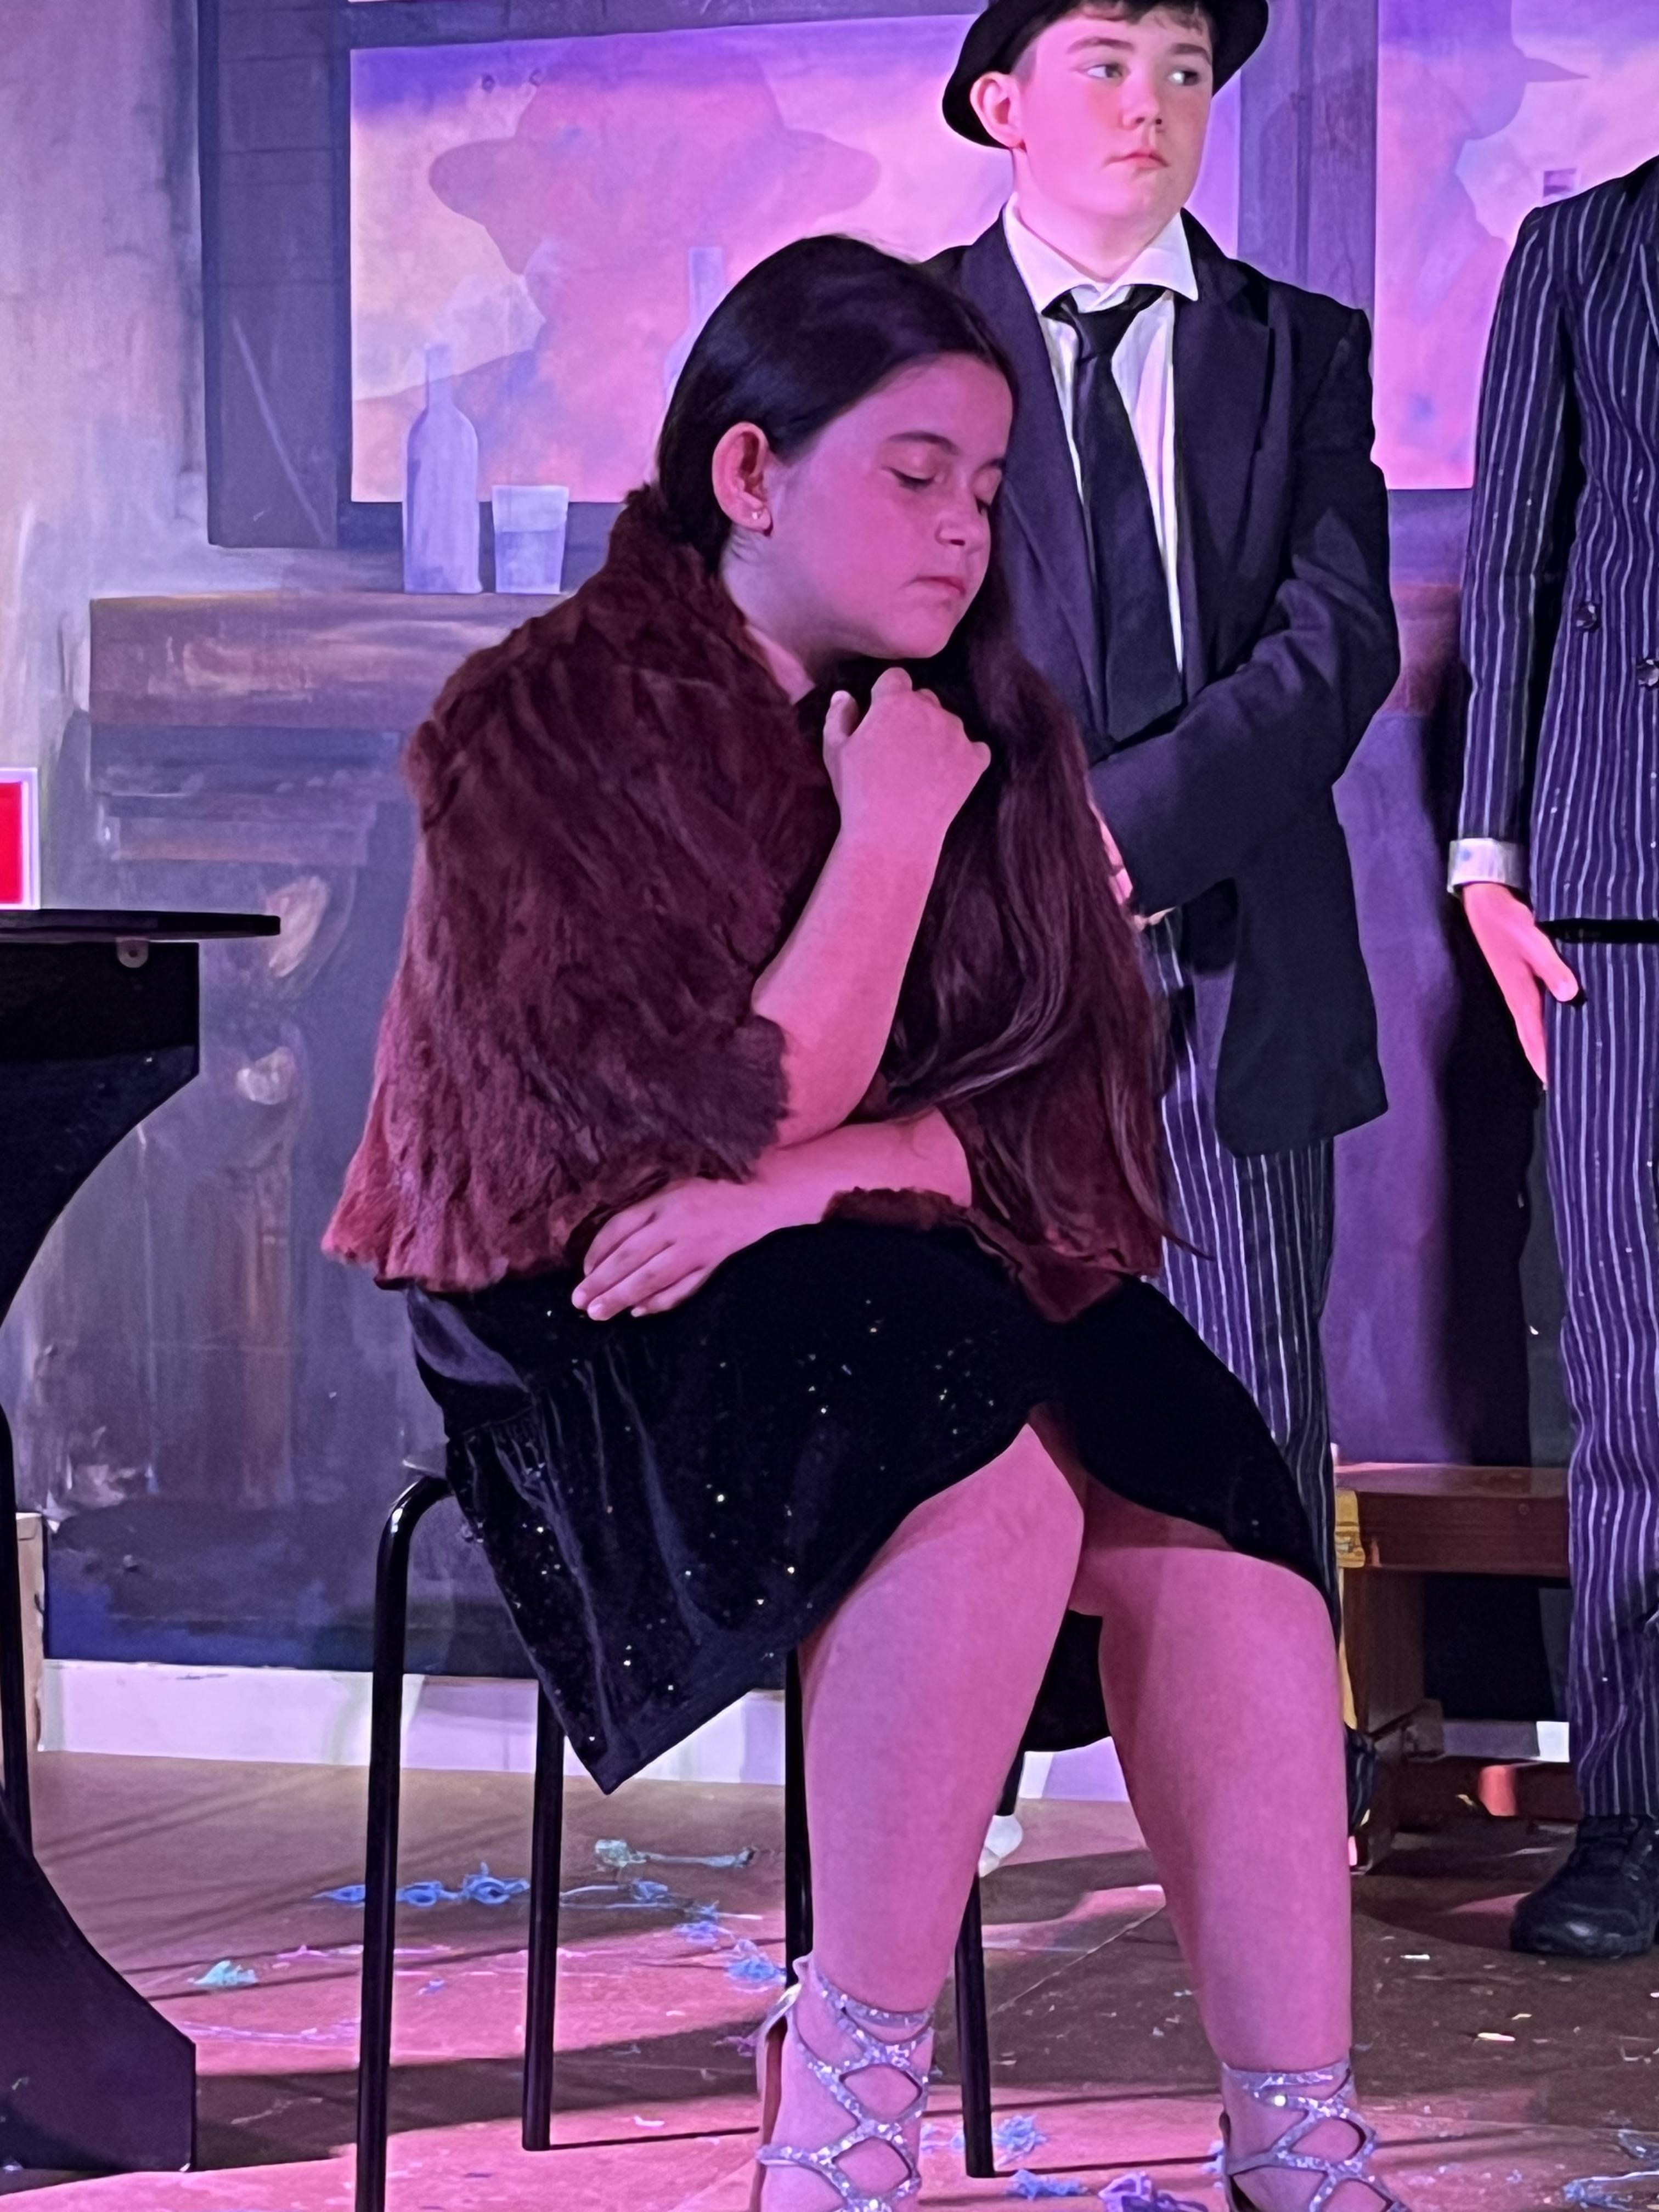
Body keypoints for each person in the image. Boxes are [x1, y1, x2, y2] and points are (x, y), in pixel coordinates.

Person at [328, 236, 1404, 2210]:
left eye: (988, 486)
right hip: (592, 1285)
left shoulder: (988, 717)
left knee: (1234, 1535)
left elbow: (1061, 1109)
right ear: (750, 474)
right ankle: (847, 2089)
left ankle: (1297, 2138)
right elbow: (704, 1112)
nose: (965, 530)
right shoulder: (542, 724)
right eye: (915, 478)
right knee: (977, 1469)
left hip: (901, 1238)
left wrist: (834, 1175)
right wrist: (891, 836)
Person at [930, 0, 1400, 1611]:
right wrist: (1031, 852)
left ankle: (1275, 1756)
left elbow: (1337, 643)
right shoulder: (903, 340)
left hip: (1236, 964)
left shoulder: (1299, 344)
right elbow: (870, 636)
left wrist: (1127, 830)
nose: (1155, 104)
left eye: (1187, 73)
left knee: (1253, 1405)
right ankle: (984, 1749)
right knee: (975, 1417)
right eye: (1109, 65)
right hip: (986, 970)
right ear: (1003, 104)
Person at [1453, 157, 1659, 1961]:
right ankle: (1636, 1816)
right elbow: (1515, 550)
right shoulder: (1587, 249)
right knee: (1636, 1380)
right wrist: (1488, 857)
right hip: (1621, 884)